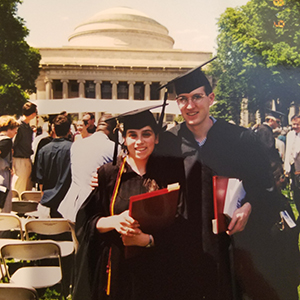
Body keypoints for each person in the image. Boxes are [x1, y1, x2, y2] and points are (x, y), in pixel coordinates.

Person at [157, 62, 299, 300]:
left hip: (237, 245)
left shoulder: (240, 139)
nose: (190, 105)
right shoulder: (169, 142)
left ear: (211, 98)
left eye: (197, 97)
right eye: (182, 99)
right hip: (190, 247)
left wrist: (248, 206)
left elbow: (265, 187)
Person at [73, 106, 178, 300]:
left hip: (157, 270)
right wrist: (113, 221)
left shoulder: (169, 175)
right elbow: (86, 221)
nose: (139, 142)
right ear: (124, 138)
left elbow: (180, 226)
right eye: (133, 135)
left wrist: (148, 240)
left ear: (156, 137)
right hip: (116, 268)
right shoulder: (108, 174)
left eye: (146, 134)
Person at [58, 116, 115, 223]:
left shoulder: (77, 145)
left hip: (72, 205)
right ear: (114, 130)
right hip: (94, 209)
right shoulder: (113, 148)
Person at [36, 115, 72, 218]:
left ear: (53, 128)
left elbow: (40, 180)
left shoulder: (43, 150)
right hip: (66, 200)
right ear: (69, 130)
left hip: (48, 200)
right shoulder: (73, 148)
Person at [12, 101, 37, 193]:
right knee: (19, 187)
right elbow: (13, 145)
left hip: (27, 159)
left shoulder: (27, 127)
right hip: (19, 160)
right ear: (33, 113)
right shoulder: (19, 126)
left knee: (27, 188)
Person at [0, 116, 19, 213]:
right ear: (9, 128)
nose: (16, 131)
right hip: (3, 175)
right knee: (4, 203)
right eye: (14, 128)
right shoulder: (6, 141)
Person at [284, 115, 300, 214]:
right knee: (295, 193)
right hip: (293, 168)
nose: (295, 126)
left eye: (298, 124)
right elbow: (287, 151)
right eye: (294, 124)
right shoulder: (290, 135)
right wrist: (286, 168)